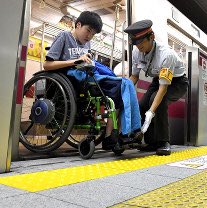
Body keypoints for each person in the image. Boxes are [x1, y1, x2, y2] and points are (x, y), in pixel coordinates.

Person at [43, 11, 142, 151]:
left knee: (126, 84)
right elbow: (46, 65)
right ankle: (124, 132)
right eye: (88, 30)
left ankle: (123, 133)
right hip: (73, 79)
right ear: (78, 25)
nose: (89, 36)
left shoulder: (87, 44)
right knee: (123, 85)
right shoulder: (64, 37)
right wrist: (75, 61)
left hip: (88, 77)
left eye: (93, 34)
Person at [124, 19, 189, 155]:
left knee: (157, 101)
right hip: (157, 80)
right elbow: (134, 76)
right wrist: (125, 91)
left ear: (151, 37)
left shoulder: (166, 55)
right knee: (142, 105)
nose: (138, 46)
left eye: (141, 41)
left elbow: (163, 89)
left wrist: (151, 113)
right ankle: (151, 142)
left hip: (178, 82)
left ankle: (163, 142)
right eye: (135, 42)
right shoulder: (137, 52)